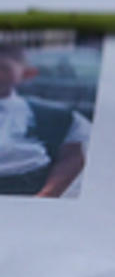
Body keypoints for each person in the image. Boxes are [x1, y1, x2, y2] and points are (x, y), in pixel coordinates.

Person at [0, 43, 88, 198]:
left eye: (2, 68)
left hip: (26, 191)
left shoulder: (53, 116)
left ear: (28, 74)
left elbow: (72, 156)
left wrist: (46, 195)